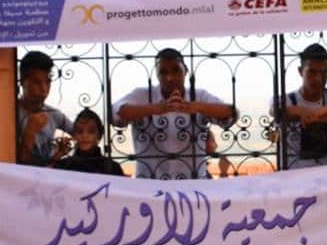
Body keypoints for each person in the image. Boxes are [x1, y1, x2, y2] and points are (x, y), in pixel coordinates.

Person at [112, 49, 236, 180]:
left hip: (193, 185)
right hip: (149, 185)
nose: (169, 77)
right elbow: (117, 112)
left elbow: (230, 113)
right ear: (157, 75)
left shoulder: (199, 95)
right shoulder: (142, 95)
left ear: (186, 71)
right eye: (163, 72)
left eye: (176, 70)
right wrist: (156, 109)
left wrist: (198, 107)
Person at [272, 43, 327, 169]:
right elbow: (277, 111)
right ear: (300, 71)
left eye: (323, 72)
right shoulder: (286, 100)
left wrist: (324, 112)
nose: (318, 78)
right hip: (294, 175)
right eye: (312, 72)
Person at [16, 50, 73, 166]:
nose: (44, 89)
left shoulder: (53, 114)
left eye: (48, 82)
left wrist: (58, 154)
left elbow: (82, 132)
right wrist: (29, 132)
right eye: (37, 83)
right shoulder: (10, 113)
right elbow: (18, 163)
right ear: (22, 81)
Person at [55, 109, 125, 176]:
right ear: (74, 135)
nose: (84, 136)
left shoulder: (112, 167)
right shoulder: (63, 166)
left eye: (91, 131)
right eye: (79, 131)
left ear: (99, 135)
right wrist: (56, 156)